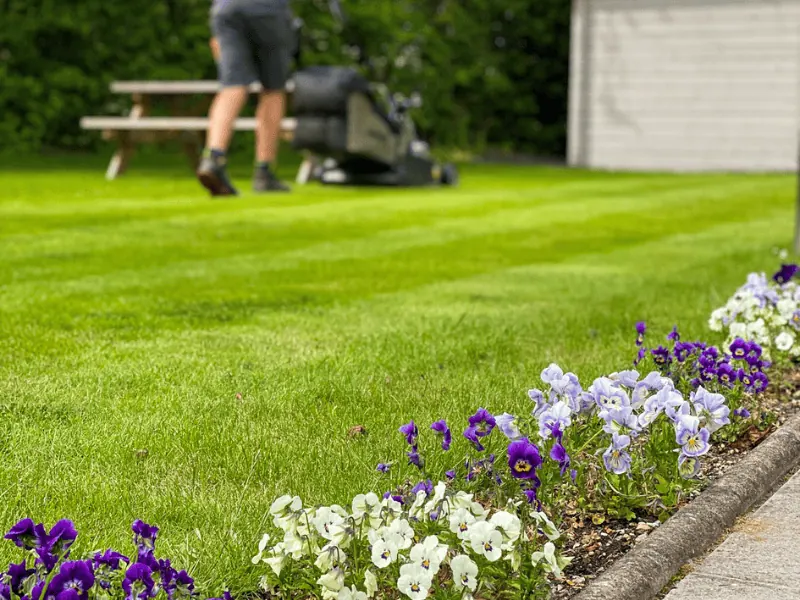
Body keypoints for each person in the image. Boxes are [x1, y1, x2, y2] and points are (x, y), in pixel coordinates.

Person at [197, 0, 293, 196]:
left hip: (227, 8)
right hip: (267, 9)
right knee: (273, 90)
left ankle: (214, 157)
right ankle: (264, 171)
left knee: (232, 86)